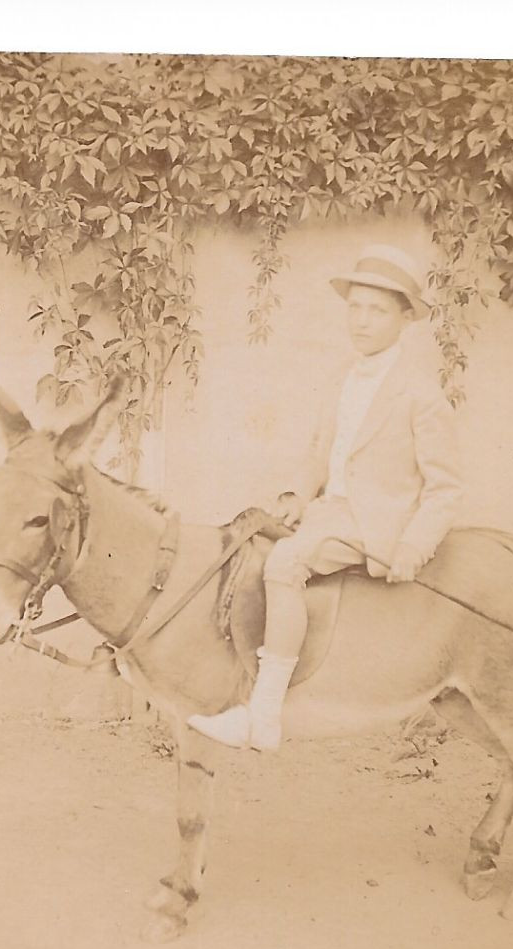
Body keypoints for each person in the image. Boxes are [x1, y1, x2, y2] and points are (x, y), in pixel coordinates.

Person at [187, 244, 463, 751]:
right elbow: (323, 450)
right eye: (355, 307)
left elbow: (445, 488)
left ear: (405, 318)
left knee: (286, 563)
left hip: (375, 523)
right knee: (248, 550)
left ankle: (264, 718)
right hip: (326, 513)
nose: (361, 321)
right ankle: (236, 691)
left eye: (377, 310)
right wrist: (296, 494)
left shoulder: (420, 394)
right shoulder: (343, 378)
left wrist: (413, 548)